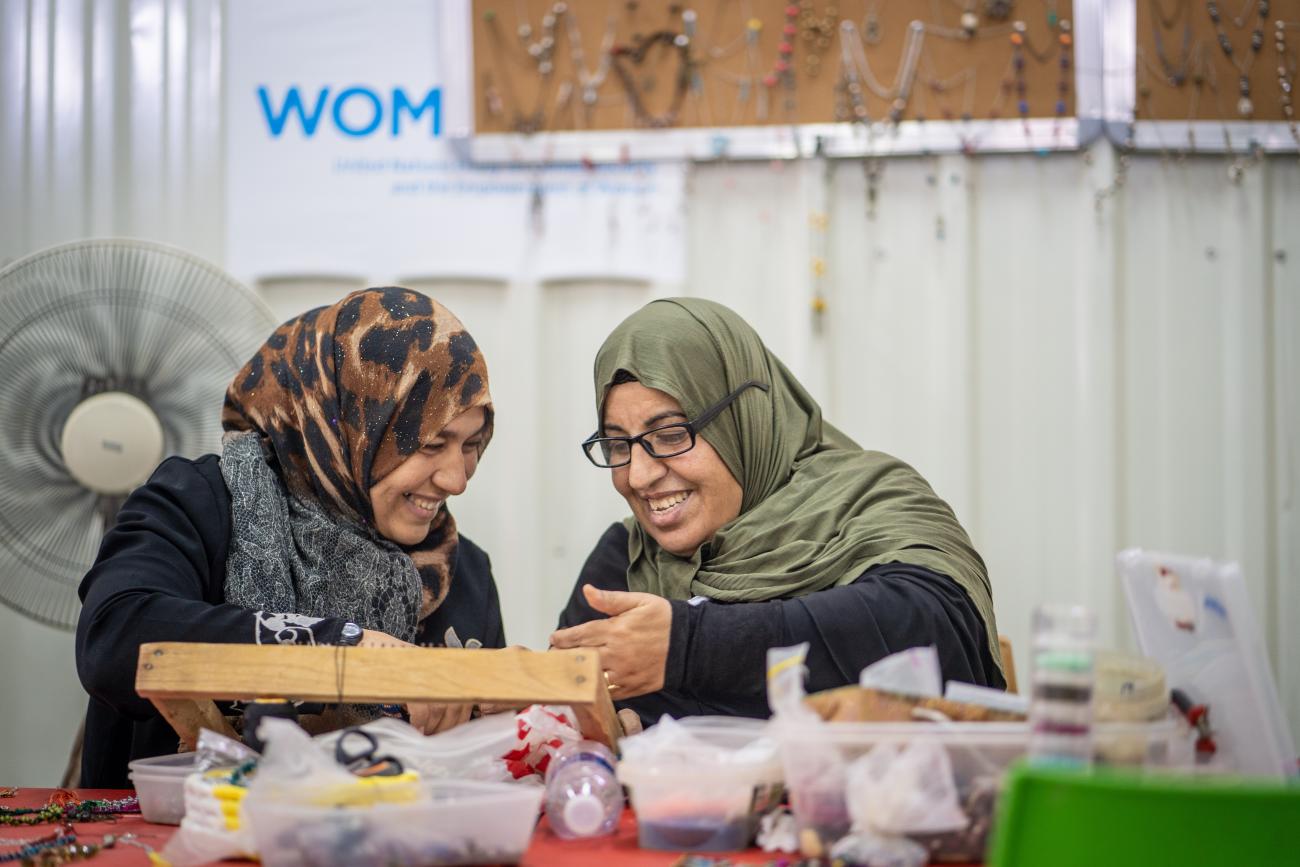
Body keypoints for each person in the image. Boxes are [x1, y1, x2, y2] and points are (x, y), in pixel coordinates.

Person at [76, 287, 503, 787]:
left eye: (472, 445)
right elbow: (115, 636)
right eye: (431, 444)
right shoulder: (200, 505)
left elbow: (485, 772)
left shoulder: (459, 572)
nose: (456, 479)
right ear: (347, 425)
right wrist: (343, 647)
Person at [551, 298, 1004, 728]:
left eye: (670, 434)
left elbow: (935, 629)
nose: (639, 476)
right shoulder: (627, 561)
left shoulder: (863, 501)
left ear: (743, 418)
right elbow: (565, 707)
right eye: (617, 444)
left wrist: (690, 644)